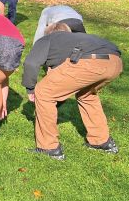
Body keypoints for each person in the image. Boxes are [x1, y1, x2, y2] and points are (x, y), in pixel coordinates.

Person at [22, 23, 122, 160]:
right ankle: (101, 141)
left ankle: (49, 148)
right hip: (115, 62)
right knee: (86, 95)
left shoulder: (48, 38)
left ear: (50, 33)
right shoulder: (76, 40)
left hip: (89, 61)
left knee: (44, 92)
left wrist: (30, 88)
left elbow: (31, 63)